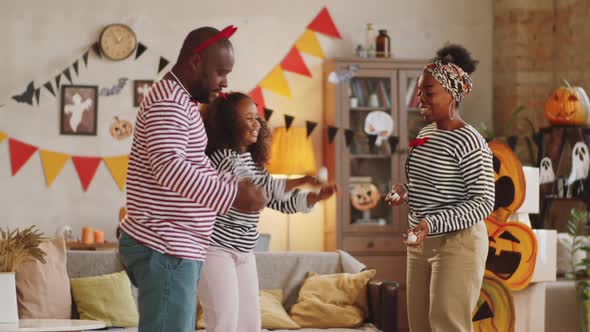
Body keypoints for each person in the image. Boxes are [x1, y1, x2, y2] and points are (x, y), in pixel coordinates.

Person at [118, 27, 267, 332]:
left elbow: (190, 164)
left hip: (174, 245)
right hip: (165, 243)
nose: (225, 82)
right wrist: (232, 196)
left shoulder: (181, 101)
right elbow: (170, 167)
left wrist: (229, 183)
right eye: (220, 72)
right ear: (196, 61)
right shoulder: (169, 103)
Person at [198, 92, 337, 332]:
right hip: (216, 250)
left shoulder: (250, 162)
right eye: (248, 118)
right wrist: (301, 180)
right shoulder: (221, 158)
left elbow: (277, 201)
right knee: (224, 323)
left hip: (244, 251)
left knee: (251, 324)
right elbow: (259, 193)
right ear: (229, 124)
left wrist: (313, 198)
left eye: (257, 117)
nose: (257, 124)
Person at [386, 44, 495, 332]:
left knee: (447, 325)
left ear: (453, 94)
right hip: (421, 242)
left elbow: (483, 201)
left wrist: (430, 223)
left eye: (428, 92)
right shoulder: (425, 135)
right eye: (419, 91)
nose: (420, 99)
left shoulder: (470, 142)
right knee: (420, 326)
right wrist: (405, 193)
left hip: (458, 244)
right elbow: (430, 185)